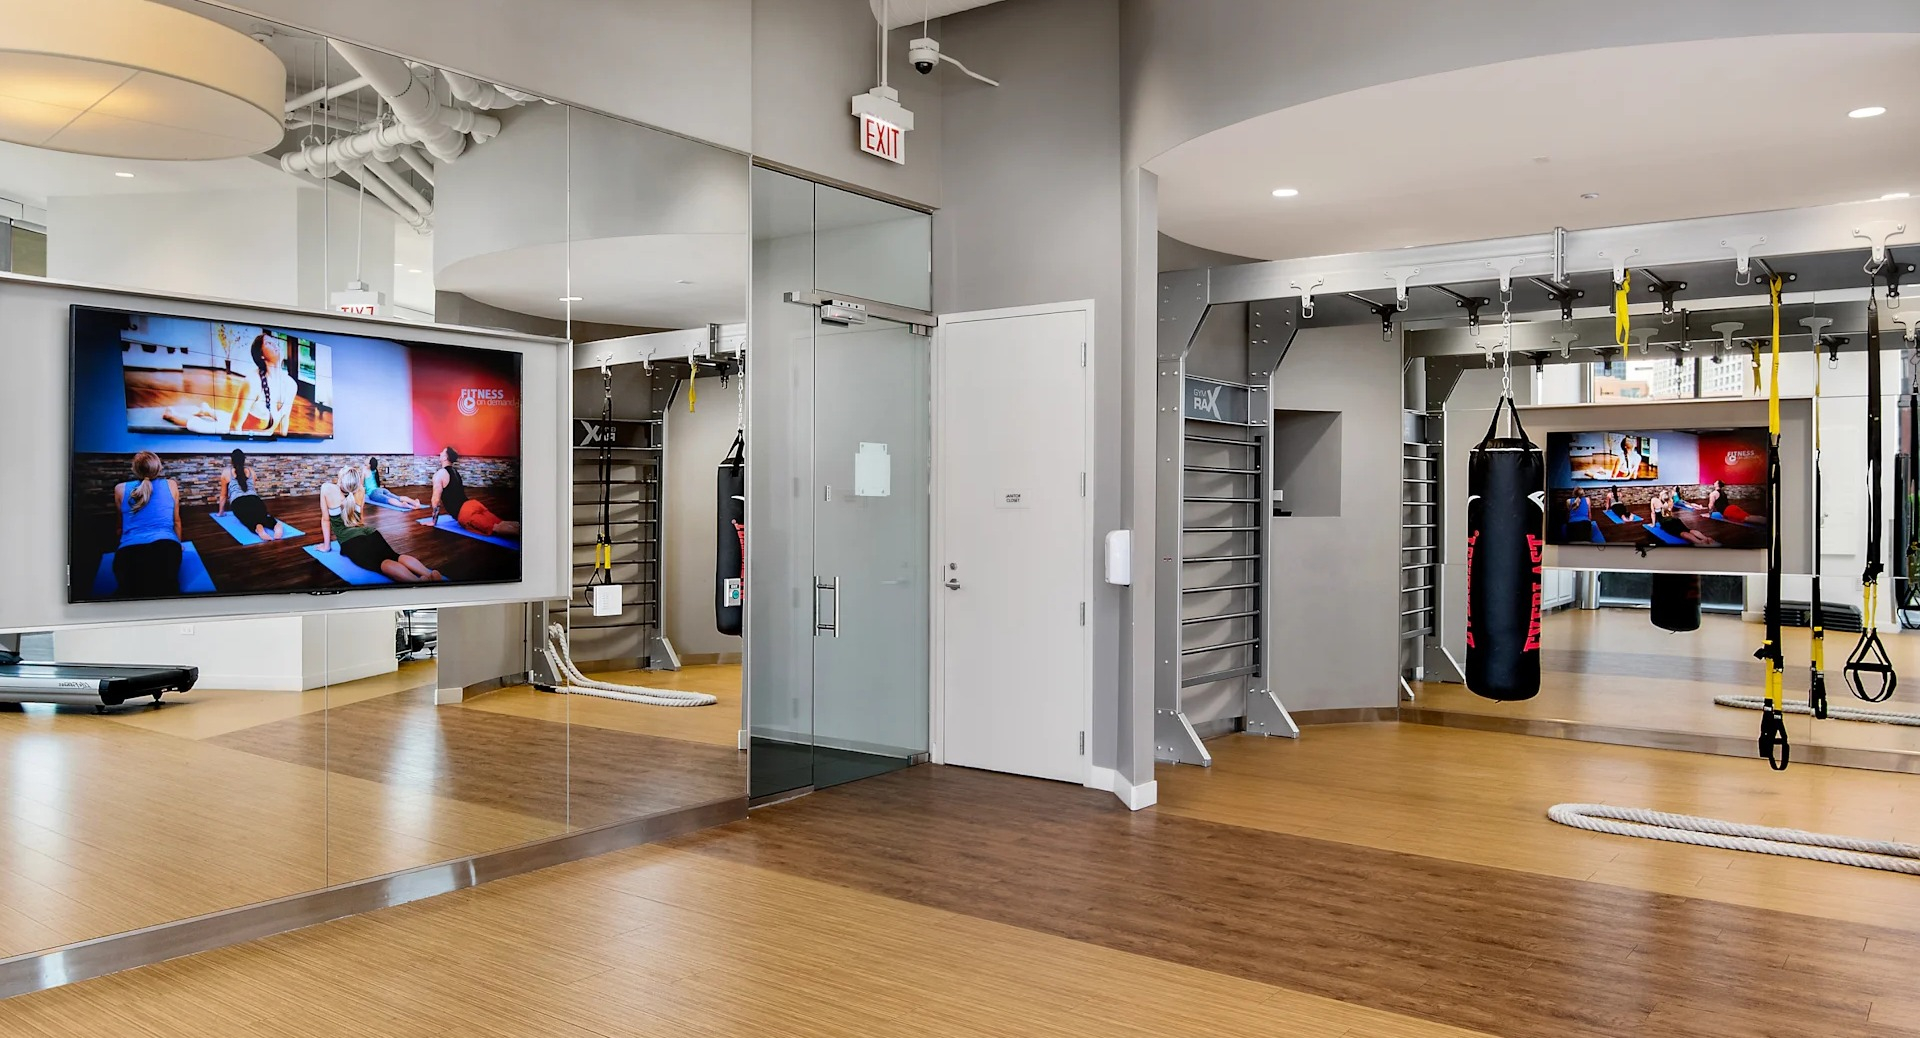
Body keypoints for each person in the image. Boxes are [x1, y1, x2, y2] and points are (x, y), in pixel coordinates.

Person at [320, 465, 442, 583]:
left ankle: (417, 581)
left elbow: (326, 520)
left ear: (341, 479)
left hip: (351, 539)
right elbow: (360, 520)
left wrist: (326, 547)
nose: (344, 467)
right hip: (370, 532)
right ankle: (429, 573)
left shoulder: (327, 488)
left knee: (380, 563)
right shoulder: (360, 490)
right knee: (395, 556)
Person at [112, 451, 183, 597]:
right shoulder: (172, 485)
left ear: (134, 469)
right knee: (167, 591)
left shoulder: (120, 489)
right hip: (168, 549)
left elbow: (120, 528)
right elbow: (177, 522)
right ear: (159, 468)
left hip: (128, 553)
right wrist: (178, 543)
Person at [431, 447, 520, 539]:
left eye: (442, 452)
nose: (440, 453)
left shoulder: (440, 474)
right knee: (501, 522)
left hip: (465, 513)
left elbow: (436, 500)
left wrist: (434, 521)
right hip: (473, 504)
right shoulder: (455, 472)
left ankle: (526, 535)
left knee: (496, 528)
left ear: (445, 457)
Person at [217, 448, 287, 540]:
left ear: (232, 460)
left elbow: (223, 495)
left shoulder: (226, 472)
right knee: (263, 516)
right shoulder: (251, 471)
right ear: (244, 459)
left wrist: (221, 513)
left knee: (248, 519)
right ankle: (276, 525)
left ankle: (258, 528)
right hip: (255, 500)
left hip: (238, 503)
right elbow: (252, 488)